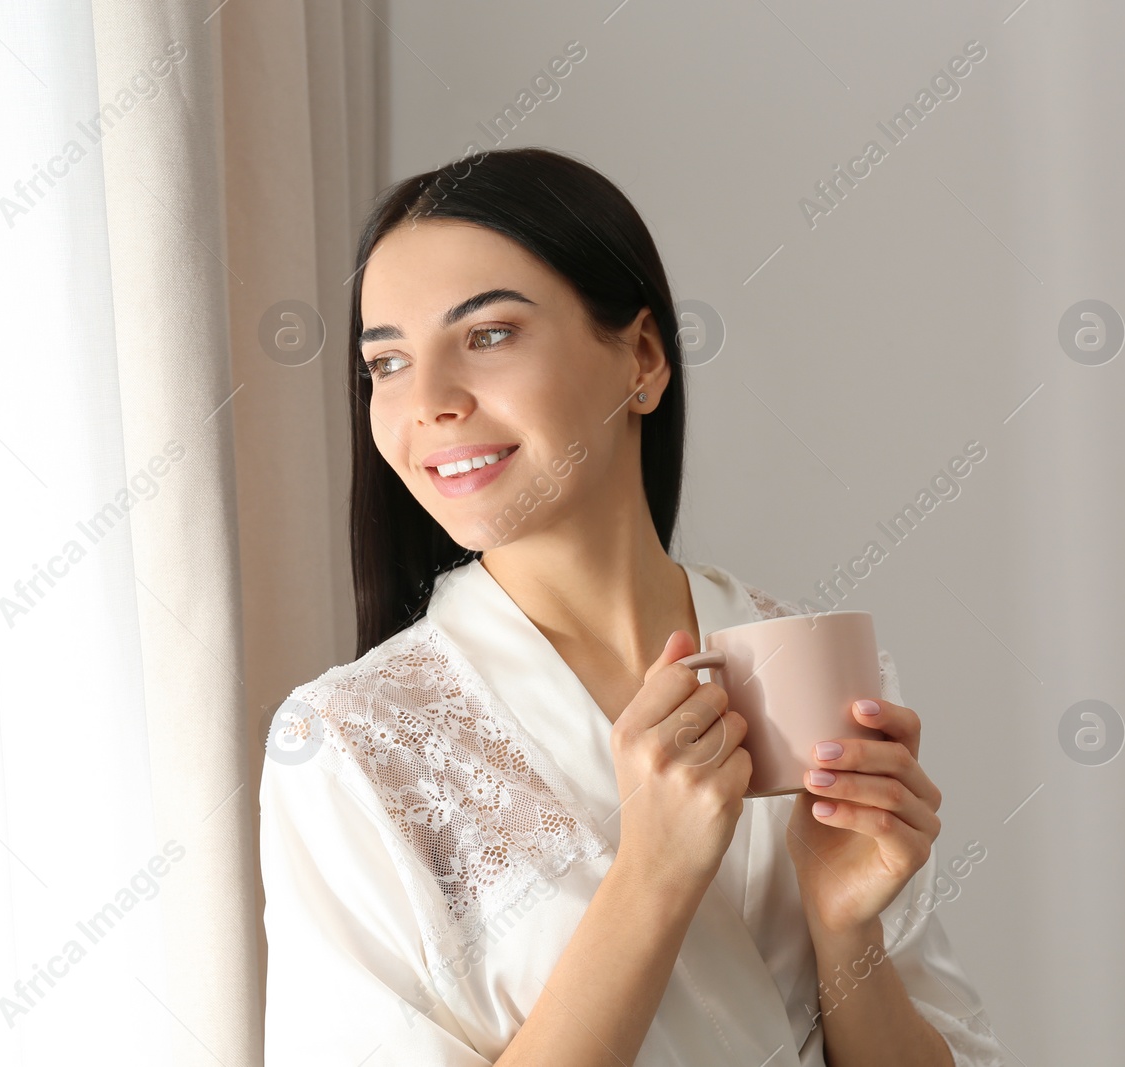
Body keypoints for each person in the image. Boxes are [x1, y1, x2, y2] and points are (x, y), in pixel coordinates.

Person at [259, 146, 1006, 1066]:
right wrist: (653, 871)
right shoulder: (348, 743)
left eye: (487, 335)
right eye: (387, 362)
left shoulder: (809, 667)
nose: (431, 403)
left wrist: (844, 927)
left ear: (642, 359)